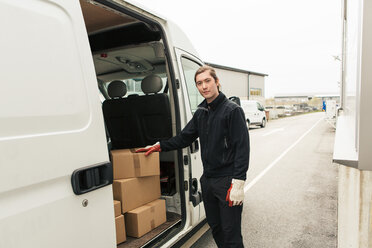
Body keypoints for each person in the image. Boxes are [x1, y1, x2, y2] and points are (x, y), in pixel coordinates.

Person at [136, 65, 250, 248]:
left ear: (217, 82)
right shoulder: (201, 113)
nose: (204, 86)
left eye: (207, 81)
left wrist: (239, 182)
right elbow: (184, 138)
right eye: (199, 83)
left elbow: (242, 148)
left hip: (227, 181)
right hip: (208, 180)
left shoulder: (232, 111)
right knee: (216, 228)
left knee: (231, 234)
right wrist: (159, 146)